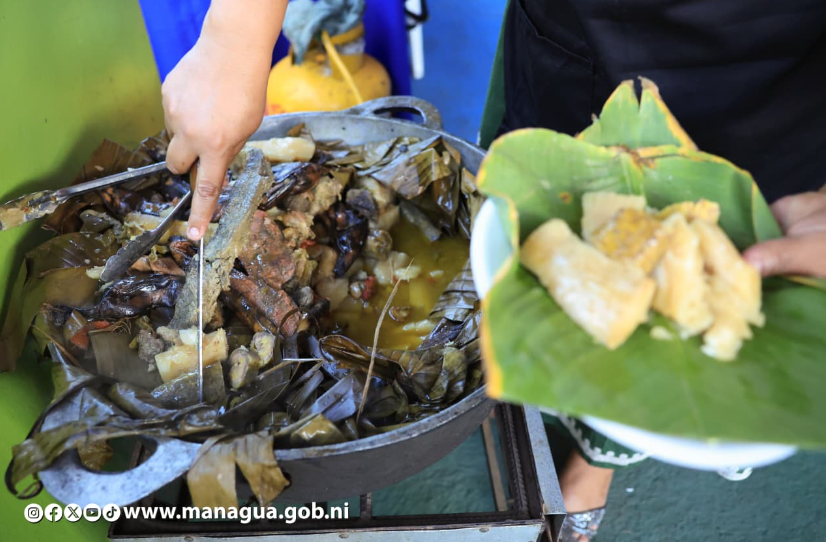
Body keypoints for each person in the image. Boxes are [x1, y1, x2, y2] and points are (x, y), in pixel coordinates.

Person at [162, 0, 826, 540]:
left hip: (785, 90)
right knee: (542, 281)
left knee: (690, 336)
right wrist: (236, 37)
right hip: (579, 49)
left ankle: (594, 464)